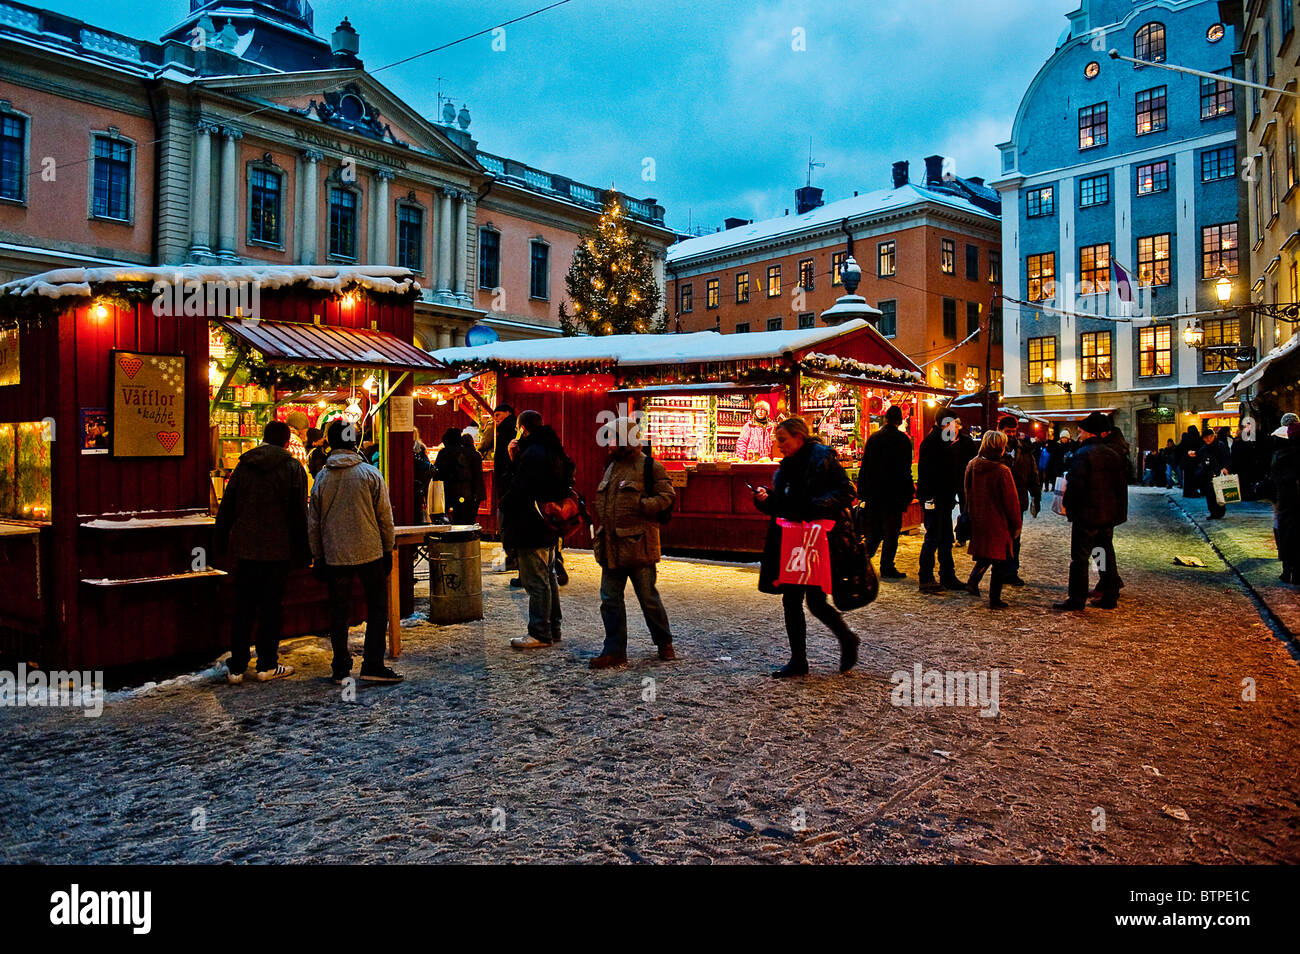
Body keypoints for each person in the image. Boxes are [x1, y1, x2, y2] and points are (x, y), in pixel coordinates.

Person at [753, 417, 860, 678]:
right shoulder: (787, 467)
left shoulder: (822, 458)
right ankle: (798, 660)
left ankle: (847, 639)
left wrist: (813, 507)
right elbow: (784, 505)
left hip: (819, 538)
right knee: (791, 599)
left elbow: (847, 491)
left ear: (799, 437)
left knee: (814, 599)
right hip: (792, 539)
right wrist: (766, 499)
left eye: (783, 440)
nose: (779, 446)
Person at [214, 420, 309, 683]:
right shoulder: (293, 468)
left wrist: (219, 543)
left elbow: (227, 509)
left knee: (243, 606)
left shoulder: (244, 466)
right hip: (278, 551)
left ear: (264, 438)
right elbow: (299, 515)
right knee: (271, 607)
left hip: (245, 549)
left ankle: (237, 667)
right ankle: (267, 664)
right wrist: (304, 553)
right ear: (287, 441)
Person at [309, 419, 402, 684]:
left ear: (331, 442)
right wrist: (387, 548)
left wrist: (318, 556)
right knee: (376, 608)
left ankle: (340, 667)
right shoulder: (370, 474)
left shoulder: (322, 478)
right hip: (370, 551)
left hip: (335, 553)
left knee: (339, 610)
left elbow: (313, 522)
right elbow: (385, 517)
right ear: (354, 442)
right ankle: (373, 663)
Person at [589, 424, 677, 669]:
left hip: (639, 545)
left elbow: (667, 495)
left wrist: (643, 506)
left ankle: (664, 642)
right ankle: (614, 650)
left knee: (648, 598)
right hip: (611, 545)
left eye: (612, 440)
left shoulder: (650, 467)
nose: (608, 445)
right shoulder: (611, 467)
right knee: (609, 600)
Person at [502, 409, 571, 649]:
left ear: (522, 428)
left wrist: (505, 503)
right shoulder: (552, 449)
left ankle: (540, 632)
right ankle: (553, 627)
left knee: (536, 581)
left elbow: (520, 487)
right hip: (549, 522)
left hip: (530, 523)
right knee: (548, 575)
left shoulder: (533, 453)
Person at [1055, 412, 1127, 611]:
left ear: (1090, 433)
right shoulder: (1114, 453)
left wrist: (1068, 506)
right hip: (1107, 515)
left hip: (1087, 515)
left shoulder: (1084, 453)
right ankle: (1110, 595)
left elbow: (1076, 485)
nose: (1079, 436)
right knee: (1103, 553)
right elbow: (1120, 486)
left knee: (1080, 558)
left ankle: (1076, 599)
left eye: (1081, 432)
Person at [963, 430, 1022, 610]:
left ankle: (973, 581)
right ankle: (994, 599)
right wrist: (1016, 525)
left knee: (987, 554)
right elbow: (1011, 501)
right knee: (999, 560)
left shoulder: (972, 465)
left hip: (979, 518)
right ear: (1001, 447)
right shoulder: (1002, 471)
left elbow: (967, 490)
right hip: (998, 521)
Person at [857, 404, 914, 579]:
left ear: (885, 418)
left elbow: (865, 467)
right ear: (900, 420)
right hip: (893, 494)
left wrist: (863, 491)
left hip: (875, 494)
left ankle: (859, 563)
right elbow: (905, 470)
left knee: (874, 533)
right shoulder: (903, 440)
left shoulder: (874, 438)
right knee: (891, 533)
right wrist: (908, 492)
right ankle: (887, 566)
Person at [916, 411, 965, 594]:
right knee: (934, 536)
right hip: (935, 498)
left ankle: (947, 575)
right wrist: (933, 497)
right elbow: (933, 474)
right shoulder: (933, 443)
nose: (955, 427)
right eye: (953, 423)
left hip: (941, 497)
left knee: (944, 537)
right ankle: (926, 577)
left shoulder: (941, 441)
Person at [998, 415, 1040, 586]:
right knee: (1000, 538)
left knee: (1015, 537)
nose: (1011, 435)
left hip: (1018, 500)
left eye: (1014, 431)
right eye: (1008, 431)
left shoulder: (1024, 450)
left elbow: (1032, 474)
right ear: (1000, 430)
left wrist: (1036, 495)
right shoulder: (994, 449)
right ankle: (999, 571)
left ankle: (1011, 571)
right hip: (999, 502)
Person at [1270, 419, 1300, 584]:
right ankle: (1295, 573)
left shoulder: (1280, 455)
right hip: (1292, 502)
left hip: (1286, 502)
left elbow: (1276, 477)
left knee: (1287, 535)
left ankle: (1287, 570)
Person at [491, 403, 518, 572]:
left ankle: (513, 557)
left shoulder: (507, 432)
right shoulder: (512, 429)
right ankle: (514, 557)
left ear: (508, 413)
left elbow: (504, 461)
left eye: (498, 415)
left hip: (509, 483)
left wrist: (503, 478)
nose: (496, 419)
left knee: (506, 521)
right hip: (510, 482)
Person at [434, 428, 478, 525]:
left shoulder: (443, 452)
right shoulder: (466, 452)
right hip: (464, 490)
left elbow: (437, 471)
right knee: (460, 516)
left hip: (446, 488)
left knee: (444, 514)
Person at [1197, 426, 1232, 519]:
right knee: (1210, 494)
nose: (1207, 439)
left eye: (1209, 437)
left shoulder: (1220, 445)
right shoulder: (1204, 447)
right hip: (1208, 473)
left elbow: (1226, 457)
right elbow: (1199, 456)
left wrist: (1225, 467)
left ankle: (1220, 512)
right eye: (1205, 438)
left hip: (1219, 472)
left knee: (1219, 493)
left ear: (1213, 436)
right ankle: (1213, 512)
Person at [413, 426, 433, 523]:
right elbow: (427, 464)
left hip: (413, 478)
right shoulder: (421, 447)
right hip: (421, 480)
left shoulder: (406, 447)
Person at [1177, 425, 1202, 497]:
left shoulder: (1186, 439)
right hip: (1196, 461)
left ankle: (1187, 492)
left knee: (1187, 478)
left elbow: (1180, 448)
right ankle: (1194, 492)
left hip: (1187, 462)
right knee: (1195, 477)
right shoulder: (1198, 438)